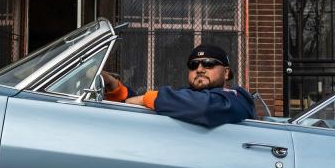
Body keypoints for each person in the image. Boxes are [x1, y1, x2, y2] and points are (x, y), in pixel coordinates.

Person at [102, 44, 255, 129]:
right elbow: (140, 105)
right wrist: (115, 88)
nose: (200, 69)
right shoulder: (183, 96)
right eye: (193, 65)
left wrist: (146, 98)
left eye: (209, 64)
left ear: (226, 73)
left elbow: (205, 108)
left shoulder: (239, 97)